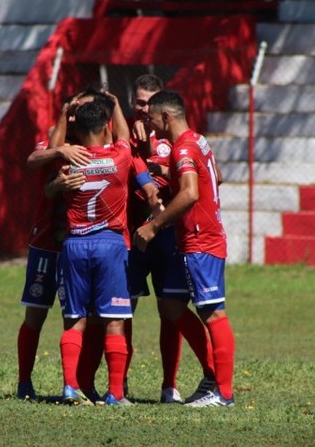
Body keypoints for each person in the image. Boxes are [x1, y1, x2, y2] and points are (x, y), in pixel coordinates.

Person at [134, 90, 236, 407]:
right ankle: (211, 377)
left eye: (151, 117)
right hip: (189, 241)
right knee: (171, 307)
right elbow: (214, 176)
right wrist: (168, 173)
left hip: (200, 240)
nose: (148, 123)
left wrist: (154, 224)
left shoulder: (183, 149)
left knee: (213, 312)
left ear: (166, 117)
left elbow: (191, 193)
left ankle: (224, 393)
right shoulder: (197, 141)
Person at [57, 100, 137, 406]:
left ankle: (69, 387)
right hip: (109, 243)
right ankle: (115, 393)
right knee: (114, 320)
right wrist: (115, 103)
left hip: (74, 244)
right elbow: (125, 137)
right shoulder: (119, 157)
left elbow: (54, 150)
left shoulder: (68, 164)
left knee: (74, 319)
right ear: (106, 127)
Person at [15, 98, 91, 401]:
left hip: (82, 244)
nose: (75, 120)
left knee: (77, 317)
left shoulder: (96, 141)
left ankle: (73, 385)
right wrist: (59, 150)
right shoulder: (53, 142)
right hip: (47, 243)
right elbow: (33, 162)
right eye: (71, 113)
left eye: (80, 113)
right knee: (36, 313)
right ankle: (24, 383)